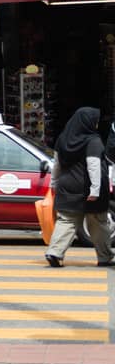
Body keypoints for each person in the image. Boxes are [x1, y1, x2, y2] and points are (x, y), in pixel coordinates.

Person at [45, 106, 113, 268]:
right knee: (98, 223)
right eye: (95, 121)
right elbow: (94, 166)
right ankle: (104, 257)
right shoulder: (93, 141)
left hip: (67, 186)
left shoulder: (63, 139)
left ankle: (55, 252)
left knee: (66, 221)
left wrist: (53, 183)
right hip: (88, 188)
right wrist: (95, 190)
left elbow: (57, 165)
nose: (96, 125)